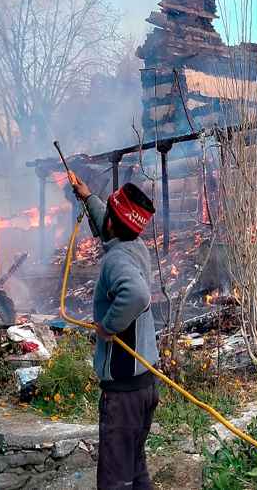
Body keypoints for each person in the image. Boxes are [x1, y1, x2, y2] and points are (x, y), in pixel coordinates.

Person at [69, 172, 159, 490]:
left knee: (114, 481)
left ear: (112, 223)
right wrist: (88, 196)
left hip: (123, 391)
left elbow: (137, 295)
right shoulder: (134, 246)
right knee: (135, 472)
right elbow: (109, 227)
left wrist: (107, 327)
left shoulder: (116, 261)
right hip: (144, 385)